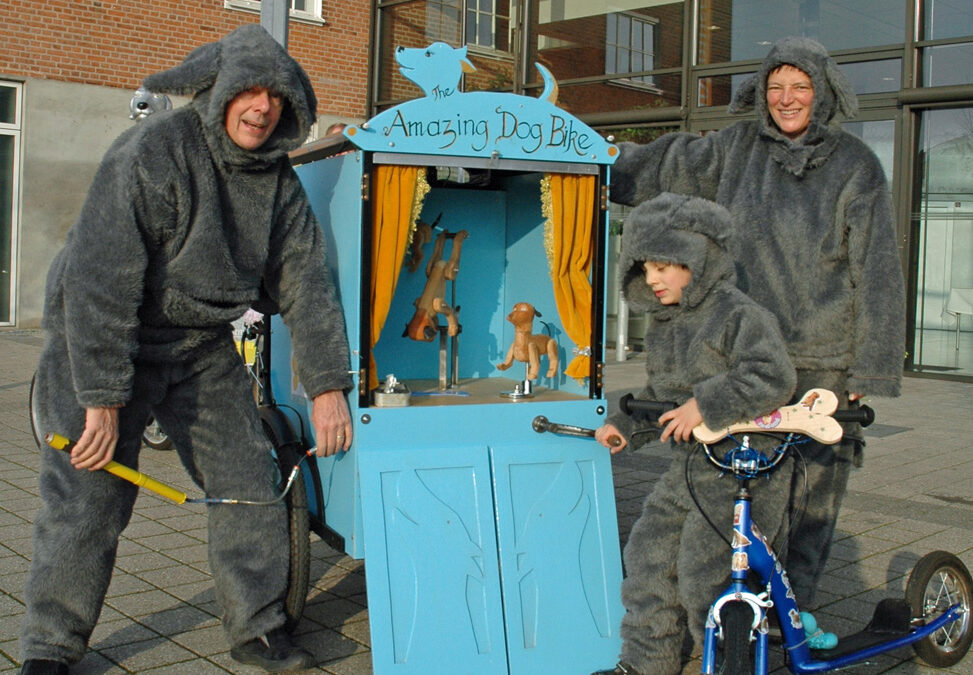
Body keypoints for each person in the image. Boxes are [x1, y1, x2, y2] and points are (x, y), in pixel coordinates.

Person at [21, 25, 353, 675]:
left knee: (248, 479)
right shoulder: (152, 152)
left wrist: (326, 387)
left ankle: (257, 627)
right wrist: (102, 400)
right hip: (101, 336)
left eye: (277, 96)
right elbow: (100, 281)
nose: (263, 107)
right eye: (250, 90)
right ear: (219, 90)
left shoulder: (278, 183)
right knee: (87, 495)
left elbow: (306, 282)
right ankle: (50, 646)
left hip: (198, 343)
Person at [608, 36, 905, 628]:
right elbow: (669, 163)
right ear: (761, 93)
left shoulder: (856, 164)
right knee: (732, 501)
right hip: (741, 355)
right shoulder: (736, 148)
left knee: (808, 503)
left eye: (800, 87)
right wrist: (598, 162)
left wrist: (869, 367)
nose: (786, 99)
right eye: (776, 87)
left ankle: (788, 623)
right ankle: (729, 626)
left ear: (822, 93)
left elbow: (877, 268)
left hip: (822, 360)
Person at [593, 193, 797, 675]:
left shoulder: (738, 314)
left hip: (746, 466)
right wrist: (627, 424)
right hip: (692, 466)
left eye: (664, 266)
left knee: (705, 571)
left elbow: (773, 375)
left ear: (698, 260)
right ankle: (647, 661)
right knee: (647, 556)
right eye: (646, 268)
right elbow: (664, 396)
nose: (652, 278)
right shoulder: (668, 325)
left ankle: (728, 663)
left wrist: (706, 403)